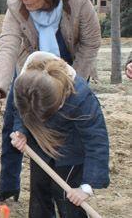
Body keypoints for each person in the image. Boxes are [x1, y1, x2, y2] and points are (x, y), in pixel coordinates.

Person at [0, 0, 101, 207]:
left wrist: (73, 83)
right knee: (14, 127)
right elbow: (8, 46)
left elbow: (91, 43)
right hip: (31, 70)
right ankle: (8, 189)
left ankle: (64, 181)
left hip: (69, 64)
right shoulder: (16, 4)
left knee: (64, 125)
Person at [10, 51, 109, 217]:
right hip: (40, 144)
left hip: (71, 149)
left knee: (66, 196)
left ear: (58, 102)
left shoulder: (81, 97)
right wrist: (21, 131)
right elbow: (20, 111)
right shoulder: (25, 85)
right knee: (39, 190)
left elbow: (96, 142)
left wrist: (86, 187)